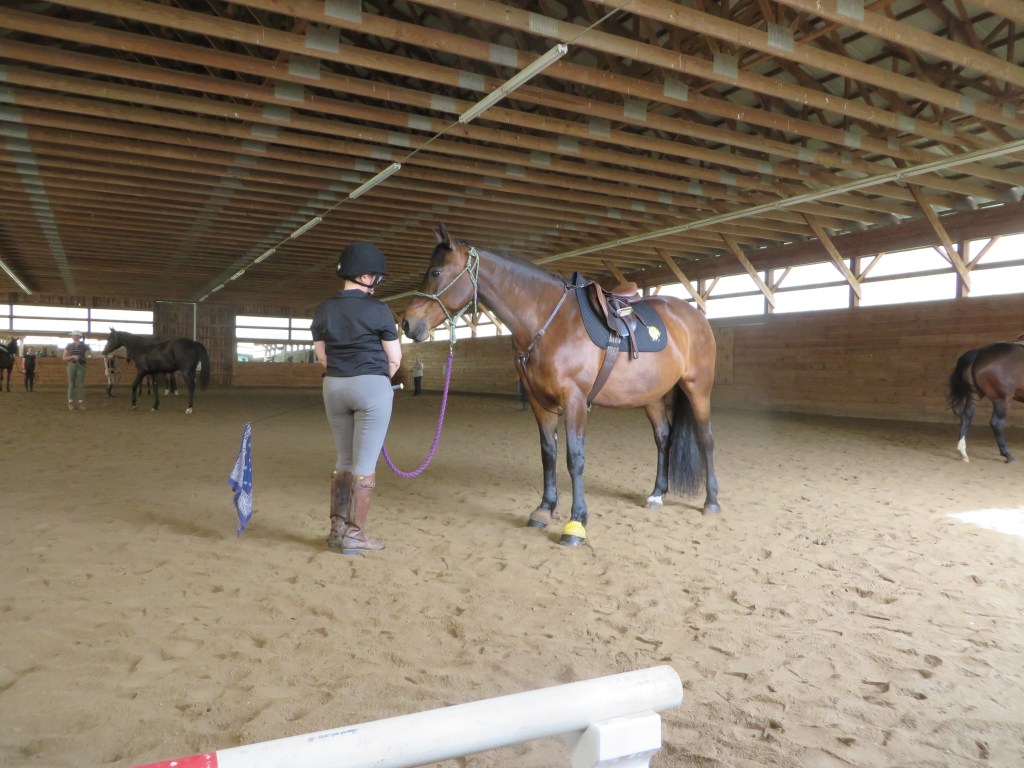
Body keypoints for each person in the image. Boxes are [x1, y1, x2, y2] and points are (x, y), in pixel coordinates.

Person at [311, 242, 402, 555]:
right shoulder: (378, 309)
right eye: (375, 276)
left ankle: (337, 530)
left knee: (344, 460)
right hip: (371, 385)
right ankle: (355, 534)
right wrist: (378, 384)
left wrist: (343, 370)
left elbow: (321, 355)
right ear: (364, 276)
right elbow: (394, 359)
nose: (376, 281)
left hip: (334, 386)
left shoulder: (324, 308)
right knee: (364, 464)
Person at [63, 330, 91, 410]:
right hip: (72, 365)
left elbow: (92, 354)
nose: (72, 337)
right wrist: (72, 357)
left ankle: (81, 402)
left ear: (78, 336)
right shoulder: (69, 345)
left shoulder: (85, 346)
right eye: (72, 335)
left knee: (80, 384)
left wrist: (104, 355)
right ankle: (70, 402)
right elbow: (64, 357)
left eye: (74, 335)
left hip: (81, 365)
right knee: (71, 383)